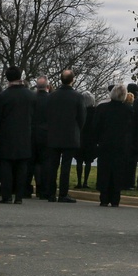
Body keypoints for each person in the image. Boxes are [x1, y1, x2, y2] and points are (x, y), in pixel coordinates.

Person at [44, 69, 88, 203]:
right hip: (70, 135)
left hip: (53, 134)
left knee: (53, 165)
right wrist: (77, 130)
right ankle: (63, 194)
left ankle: (50, 193)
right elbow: (82, 117)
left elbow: (47, 115)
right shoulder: (77, 96)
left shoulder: (51, 96)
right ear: (72, 80)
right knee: (66, 166)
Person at [0, 67, 35, 204]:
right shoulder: (30, 95)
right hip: (25, 134)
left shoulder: (3, 95)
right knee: (22, 166)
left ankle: (6, 196)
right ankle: (19, 196)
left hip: (7, 134)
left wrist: (2, 127)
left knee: (6, 166)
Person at [94, 83, 134, 207]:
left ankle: (104, 197)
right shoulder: (129, 110)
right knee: (118, 171)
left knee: (104, 170)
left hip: (105, 144)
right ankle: (115, 197)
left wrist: (97, 141)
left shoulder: (102, 108)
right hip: (122, 146)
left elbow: (95, 127)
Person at [31, 75, 51, 199]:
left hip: (32, 132)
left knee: (33, 162)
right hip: (46, 133)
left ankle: (30, 186)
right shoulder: (51, 99)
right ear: (47, 86)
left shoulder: (32, 99)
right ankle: (43, 189)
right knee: (45, 162)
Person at [75, 91, 97, 189]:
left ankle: (79, 182)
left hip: (80, 137)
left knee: (79, 161)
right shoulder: (95, 112)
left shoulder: (79, 110)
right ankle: (85, 182)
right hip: (91, 139)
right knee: (88, 162)